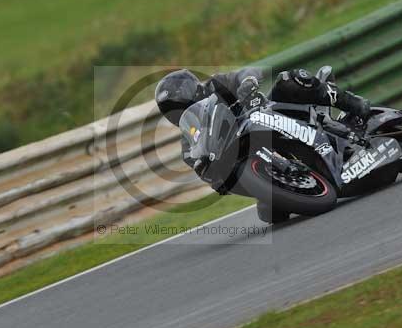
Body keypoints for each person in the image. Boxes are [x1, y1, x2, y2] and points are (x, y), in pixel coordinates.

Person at [154, 67, 370, 223]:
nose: (179, 109)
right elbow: (217, 180)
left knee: (290, 79)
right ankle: (299, 176)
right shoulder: (190, 144)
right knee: (271, 214)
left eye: (179, 103)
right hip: (260, 159)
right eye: (171, 108)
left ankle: (354, 104)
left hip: (271, 112)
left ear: (193, 89)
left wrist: (247, 82)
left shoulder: (215, 85)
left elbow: (247, 72)